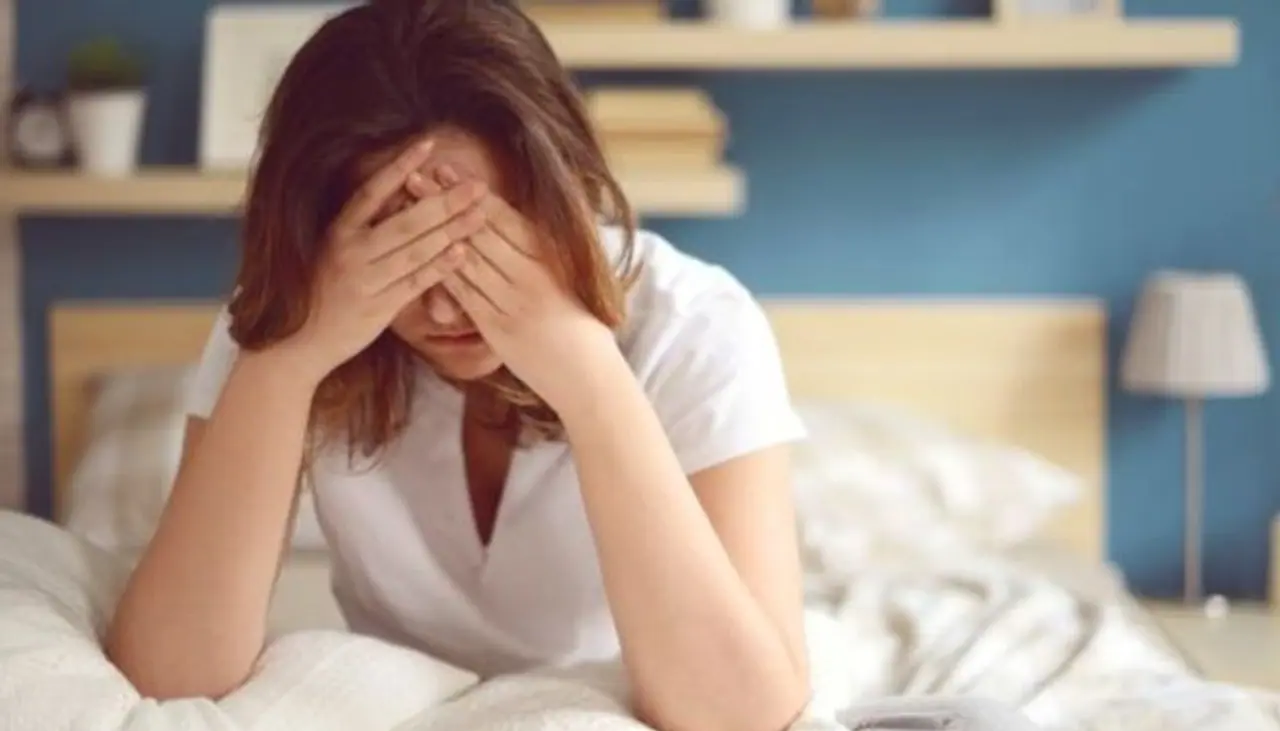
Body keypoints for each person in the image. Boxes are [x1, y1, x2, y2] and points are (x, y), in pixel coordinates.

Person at [104, 2, 1045, 731]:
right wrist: (291, 359)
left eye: (483, 245)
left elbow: (745, 716)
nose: (448, 308)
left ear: (561, 196)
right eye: (404, 252)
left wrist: (586, 371)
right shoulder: (286, 324)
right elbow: (171, 676)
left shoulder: (693, 324)